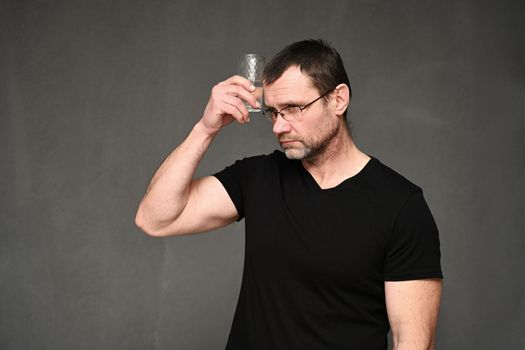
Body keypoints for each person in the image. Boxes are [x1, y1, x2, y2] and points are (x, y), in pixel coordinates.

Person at [135, 39, 443, 350]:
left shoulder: (400, 205)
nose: (278, 127)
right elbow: (155, 219)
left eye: (293, 109)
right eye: (273, 112)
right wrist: (205, 128)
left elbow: (414, 342)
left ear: (338, 99)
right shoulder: (258, 177)